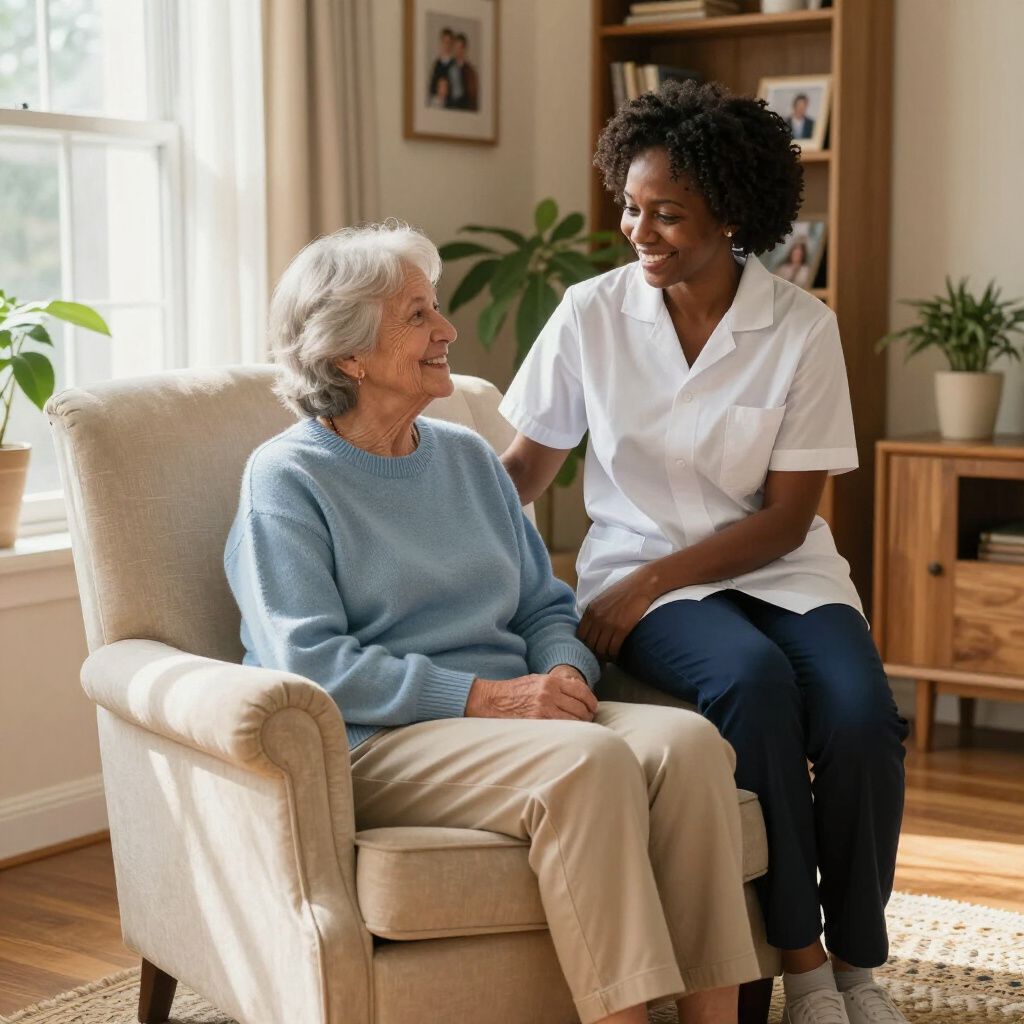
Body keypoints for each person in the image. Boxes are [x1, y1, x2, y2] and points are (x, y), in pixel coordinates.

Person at [225, 221, 764, 1024]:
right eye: (417, 315)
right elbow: (313, 662)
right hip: (382, 738)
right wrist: (488, 698)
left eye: (435, 307)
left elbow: (544, 603)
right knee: (587, 766)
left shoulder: (465, 455)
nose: (447, 330)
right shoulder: (288, 477)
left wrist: (564, 673)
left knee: (687, 746)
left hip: (520, 708)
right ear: (347, 354)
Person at [498, 81, 910, 1024]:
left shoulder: (802, 329)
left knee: (860, 718)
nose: (639, 231)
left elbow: (786, 517)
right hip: (655, 586)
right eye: (631, 206)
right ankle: (803, 969)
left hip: (770, 569)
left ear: (731, 215)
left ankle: (857, 964)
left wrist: (647, 581)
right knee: (754, 686)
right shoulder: (588, 315)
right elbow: (523, 467)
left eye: (667, 214)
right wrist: (424, 505)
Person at [448, 32, 478, 111]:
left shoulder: (470, 71)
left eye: (460, 47)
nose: (457, 50)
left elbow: (473, 97)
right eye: (455, 47)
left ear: (464, 49)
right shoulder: (448, 67)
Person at [429, 27, 455, 104]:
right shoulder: (437, 63)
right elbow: (432, 87)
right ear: (441, 43)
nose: (446, 45)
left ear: (452, 44)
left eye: (449, 42)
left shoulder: (455, 64)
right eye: (444, 42)